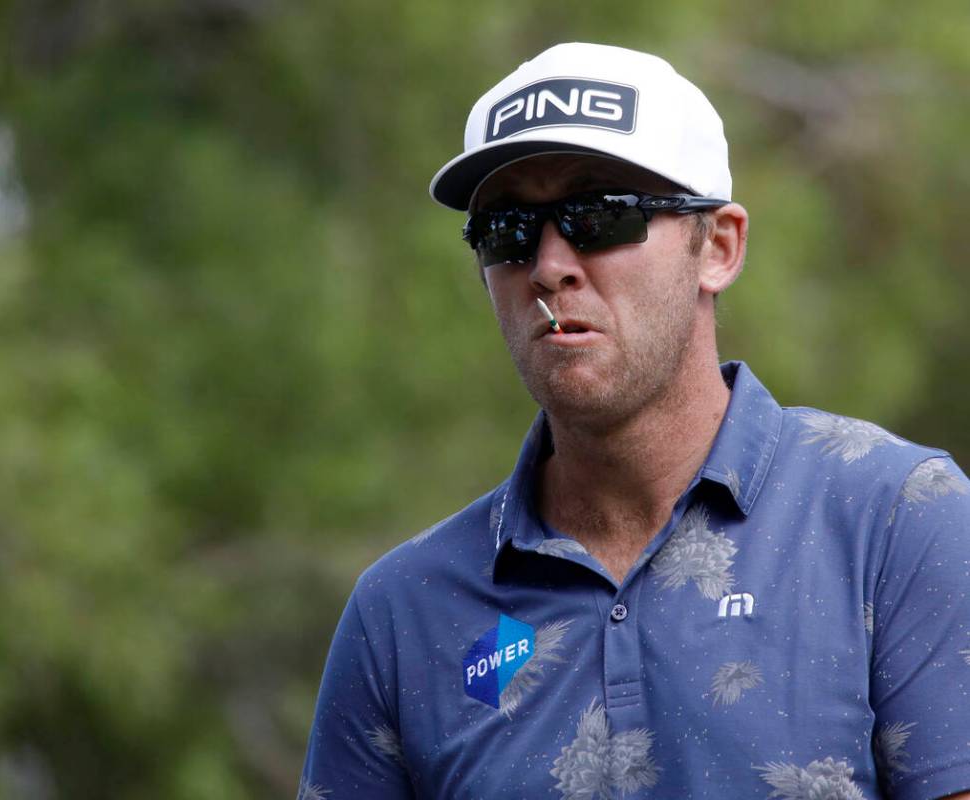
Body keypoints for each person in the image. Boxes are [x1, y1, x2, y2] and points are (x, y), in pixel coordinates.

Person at [298, 42, 970, 800]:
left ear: (716, 247)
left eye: (597, 215)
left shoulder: (896, 519)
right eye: (507, 230)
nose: (549, 265)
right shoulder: (402, 609)